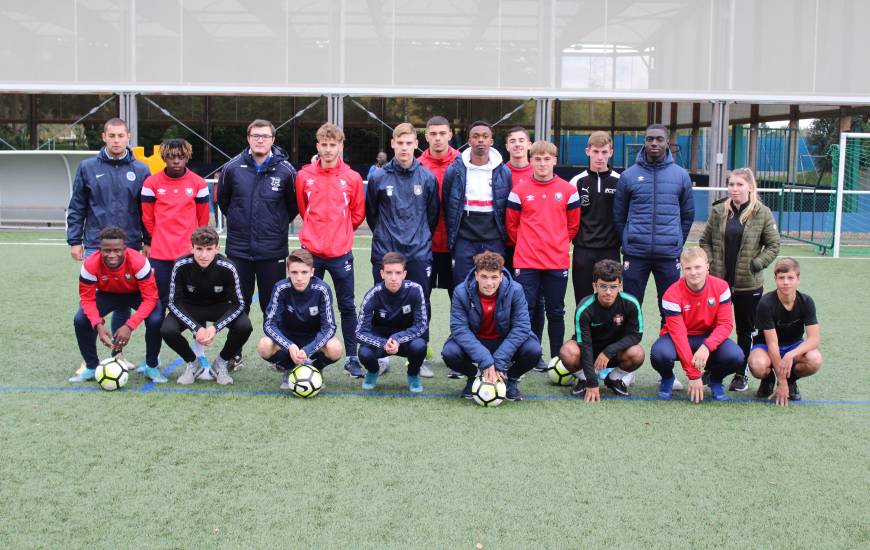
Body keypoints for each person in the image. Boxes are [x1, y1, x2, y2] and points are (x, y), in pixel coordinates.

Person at [66, 118, 151, 340]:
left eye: (120, 136)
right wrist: (74, 240)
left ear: (128, 137)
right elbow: (77, 205)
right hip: (96, 243)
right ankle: (90, 358)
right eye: (111, 136)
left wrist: (148, 241)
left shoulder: (141, 169)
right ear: (104, 137)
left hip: (130, 243)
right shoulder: (87, 167)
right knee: (93, 301)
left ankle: (117, 354)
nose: (116, 140)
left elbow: (147, 210)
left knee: (122, 300)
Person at [366, 123, 439, 377]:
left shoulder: (427, 177)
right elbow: (372, 214)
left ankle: (417, 358)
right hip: (385, 251)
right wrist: (387, 237)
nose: (405, 147)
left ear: (417, 145)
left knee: (422, 303)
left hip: (418, 252)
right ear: (393, 144)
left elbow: (432, 215)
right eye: (400, 143)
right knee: (380, 303)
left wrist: (417, 237)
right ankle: (381, 354)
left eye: (409, 143)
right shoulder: (378, 176)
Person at [699, 167, 780, 392]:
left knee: (746, 330)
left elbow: (774, 244)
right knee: (714, 326)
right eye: (732, 184)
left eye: (740, 185)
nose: (735, 189)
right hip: (718, 283)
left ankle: (741, 374)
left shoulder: (762, 213)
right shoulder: (719, 211)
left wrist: (756, 264)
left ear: (750, 187)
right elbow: (704, 241)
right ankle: (711, 370)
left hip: (748, 285)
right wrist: (711, 262)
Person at [296, 123, 366, 378]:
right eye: (323, 145)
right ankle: (307, 354)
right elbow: (304, 210)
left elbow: (357, 214)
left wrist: (341, 233)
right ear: (317, 146)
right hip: (311, 254)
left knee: (347, 305)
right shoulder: (304, 175)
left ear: (341, 146)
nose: (328, 149)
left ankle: (351, 357)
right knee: (308, 306)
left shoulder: (352, 177)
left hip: (340, 253)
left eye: (332, 145)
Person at [506, 140, 580, 368]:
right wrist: (530, 245)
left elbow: (572, 226)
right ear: (531, 161)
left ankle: (558, 359)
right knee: (525, 311)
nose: (542, 163)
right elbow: (512, 226)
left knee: (556, 311)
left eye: (547, 159)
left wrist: (554, 244)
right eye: (537, 159)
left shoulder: (568, 190)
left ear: (555, 161)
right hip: (526, 262)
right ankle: (529, 356)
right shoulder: (519, 191)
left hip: (556, 261)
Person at [141, 138, 212, 376]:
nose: (176, 161)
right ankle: (154, 358)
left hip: (188, 257)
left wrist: (195, 248)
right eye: (171, 157)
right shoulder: (151, 183)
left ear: (187, 157)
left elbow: (202, 219)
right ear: (164, 158)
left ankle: (199, 357)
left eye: (180, 156)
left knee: (196, 304)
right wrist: (155, 240)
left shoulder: (199, 183)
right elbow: (148, 218)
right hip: (160, 256)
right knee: (157, 308)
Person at [216, 119, 298, 321]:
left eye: (265, 136)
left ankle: (274, 350)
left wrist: (275, 225)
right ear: (248, 138)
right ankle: (235, 351)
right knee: (237, 304)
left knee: (272, 305)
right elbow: (224, 202)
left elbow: (293, 207)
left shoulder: (287, 171)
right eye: (255, 136)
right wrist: (239, 221)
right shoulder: (231, 168)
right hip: (239, 249)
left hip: (272, 251)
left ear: (273, 140)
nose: (260, 140)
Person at [613, 124, 694, 323]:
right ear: (644, 142)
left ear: (667, 143)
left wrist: (675, 241)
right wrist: (628, 240)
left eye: (659, 139)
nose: (654, 143)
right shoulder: (629, 175)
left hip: (668, 255)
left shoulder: (681, 175)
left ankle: (667, 353)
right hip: (636, 254)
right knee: (630, 308)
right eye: (650, 139)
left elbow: (688, 215)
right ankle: (627, 352)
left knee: (670, 310)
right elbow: (618, 215)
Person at [441, 251, 541, 402]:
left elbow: (522, 327)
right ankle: (474, 377)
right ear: (476, 275)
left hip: (503, 340)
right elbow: (459, 329)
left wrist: (499, 362)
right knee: (450, 353)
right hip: (477, 340)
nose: (489, 283)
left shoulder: (516, 290)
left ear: (501, 276)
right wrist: (486, 361)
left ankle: (510, 380)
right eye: (484, 277)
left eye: (494, 277)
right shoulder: (461, 292)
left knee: (534, 350)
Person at [69, 227, 165, 383]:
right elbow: (87, 299)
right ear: (100, 250)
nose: (112, 255)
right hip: (107, 294)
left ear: (125, 249)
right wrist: (97, 324)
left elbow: (150, 298)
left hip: (137, 293)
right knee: (81, 319)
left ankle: (151, 366)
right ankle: (92, 366)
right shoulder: (90, 264)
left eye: (117, 250)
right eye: (106, 251)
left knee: (156, 319)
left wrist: (129, 326)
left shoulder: (139, 262)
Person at [650, 247, 744, 403]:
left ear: (707, 266)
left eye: (698, 267)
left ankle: (715, 379)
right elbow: (679, 335)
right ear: (682, 269)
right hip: (678, 337)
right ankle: (667, 378)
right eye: (688, 268)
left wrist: (707, 346)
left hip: (707, 336)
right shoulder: (671, 294)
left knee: (736, 356)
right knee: (660, 354)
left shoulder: (721, 287)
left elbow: (725, 325)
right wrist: (693, 375)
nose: (693, 272)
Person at [160, 227, 252, 386]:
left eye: (209, 249)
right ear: (192, 248)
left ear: (217, 248)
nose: (204, 255)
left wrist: (215, 328)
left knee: (244, 326)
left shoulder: (228, 267)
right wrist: (197, 328)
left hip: (219, 306)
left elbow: (239, 304)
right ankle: (193, 363)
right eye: (199, 249)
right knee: (167, 329)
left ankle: (220, 363)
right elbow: (173, 303)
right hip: (190, 306)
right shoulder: (180, 265)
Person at [258, 249, 344, 390]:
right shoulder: (280, 288)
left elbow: (329, 328)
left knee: (335, 349)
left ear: (312, 272)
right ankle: (288, 368)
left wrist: (310, 349)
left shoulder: (322, 289)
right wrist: (289, 345)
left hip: (313, 338)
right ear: (288, 271)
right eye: (294, 272)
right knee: (264, 346)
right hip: (288, 337)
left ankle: (316, 368)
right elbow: (269, 324)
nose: (299, 278)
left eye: (304, 272)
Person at [560, 259, 644, 402]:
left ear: (620, 286)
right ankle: (584, 379)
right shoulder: (584, 308)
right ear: (595, 286)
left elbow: (635, 335)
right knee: (567, 351)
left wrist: (609, 351)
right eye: (603, 286)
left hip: (615, 353)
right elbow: (585, 345)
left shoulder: (631, 303)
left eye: (613, 286)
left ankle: (614, 379)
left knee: (637, 353)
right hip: (588, 352)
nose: (608, 292)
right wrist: (592, 382)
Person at [442, 120, 512, 288]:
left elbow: (505, 207)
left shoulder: (504, 171)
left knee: (494, 288)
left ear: (491, 141)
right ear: (469, 141)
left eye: (485, 136)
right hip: (464, 240)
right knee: (463, 287)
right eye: (476, 136)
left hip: (494, 240)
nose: (480, 140)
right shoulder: (455, 170)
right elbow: (448, 203)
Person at [747, 258, 822, 406]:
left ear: (798, 279)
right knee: (757, 365)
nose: (786, 282)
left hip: (793, 346)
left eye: (790, 277)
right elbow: (773, 344)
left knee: (815, 360)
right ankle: (768, 379)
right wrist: (780, 382)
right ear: (775, 279)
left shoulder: (806, 301)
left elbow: (814, 339)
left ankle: (791, 380)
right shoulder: (766, 303)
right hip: (767, 347)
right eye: (781, 278)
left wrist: (791, 354)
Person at [502, 126, 546, 370]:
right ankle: (508, 349)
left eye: (521, 140)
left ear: (529, 145)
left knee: (535, 302)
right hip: (506, 247)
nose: (517, 145)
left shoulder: (540, 171)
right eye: (512, 141)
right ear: (507, 146)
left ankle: (534, 349)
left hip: (532, 253)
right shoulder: (499, 172)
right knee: (505, 299)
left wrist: (528, 243)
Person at [356, 252, 429, 393]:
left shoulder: (415, 290)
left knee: (420, 346)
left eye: (398, 273)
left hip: (405, 340)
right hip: (381, 340)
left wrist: (397, 339)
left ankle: (413, 374)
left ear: (404, 274)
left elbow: (421, 325)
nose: (393, 278)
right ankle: (373, 371)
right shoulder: (373, 294)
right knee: (364, 353)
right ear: (382, 273)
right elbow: (359, 332)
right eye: (389, 273)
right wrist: (384, 343)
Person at [569, 131, 622, 301]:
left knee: (610, 299)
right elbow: (569, 218)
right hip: (583, 251)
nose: (600, 157)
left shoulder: (620, 181)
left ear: (611, 153)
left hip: (610, 250)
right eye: (595, 152)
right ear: (587, 151)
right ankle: (581, 329)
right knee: (583, 299)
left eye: (604, 152)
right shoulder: (576, 182)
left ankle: (610, 329)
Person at [418, 116, 460, 302]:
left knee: (460, 298)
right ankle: (420, 333)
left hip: (457, 245)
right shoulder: (417, 165)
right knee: (420, 299)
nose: (438, 138)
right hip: (424, 246)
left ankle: (460, 333)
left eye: (442, 133)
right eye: (433, 134)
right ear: (426, 136)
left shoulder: (463, 163)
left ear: (450, 135)